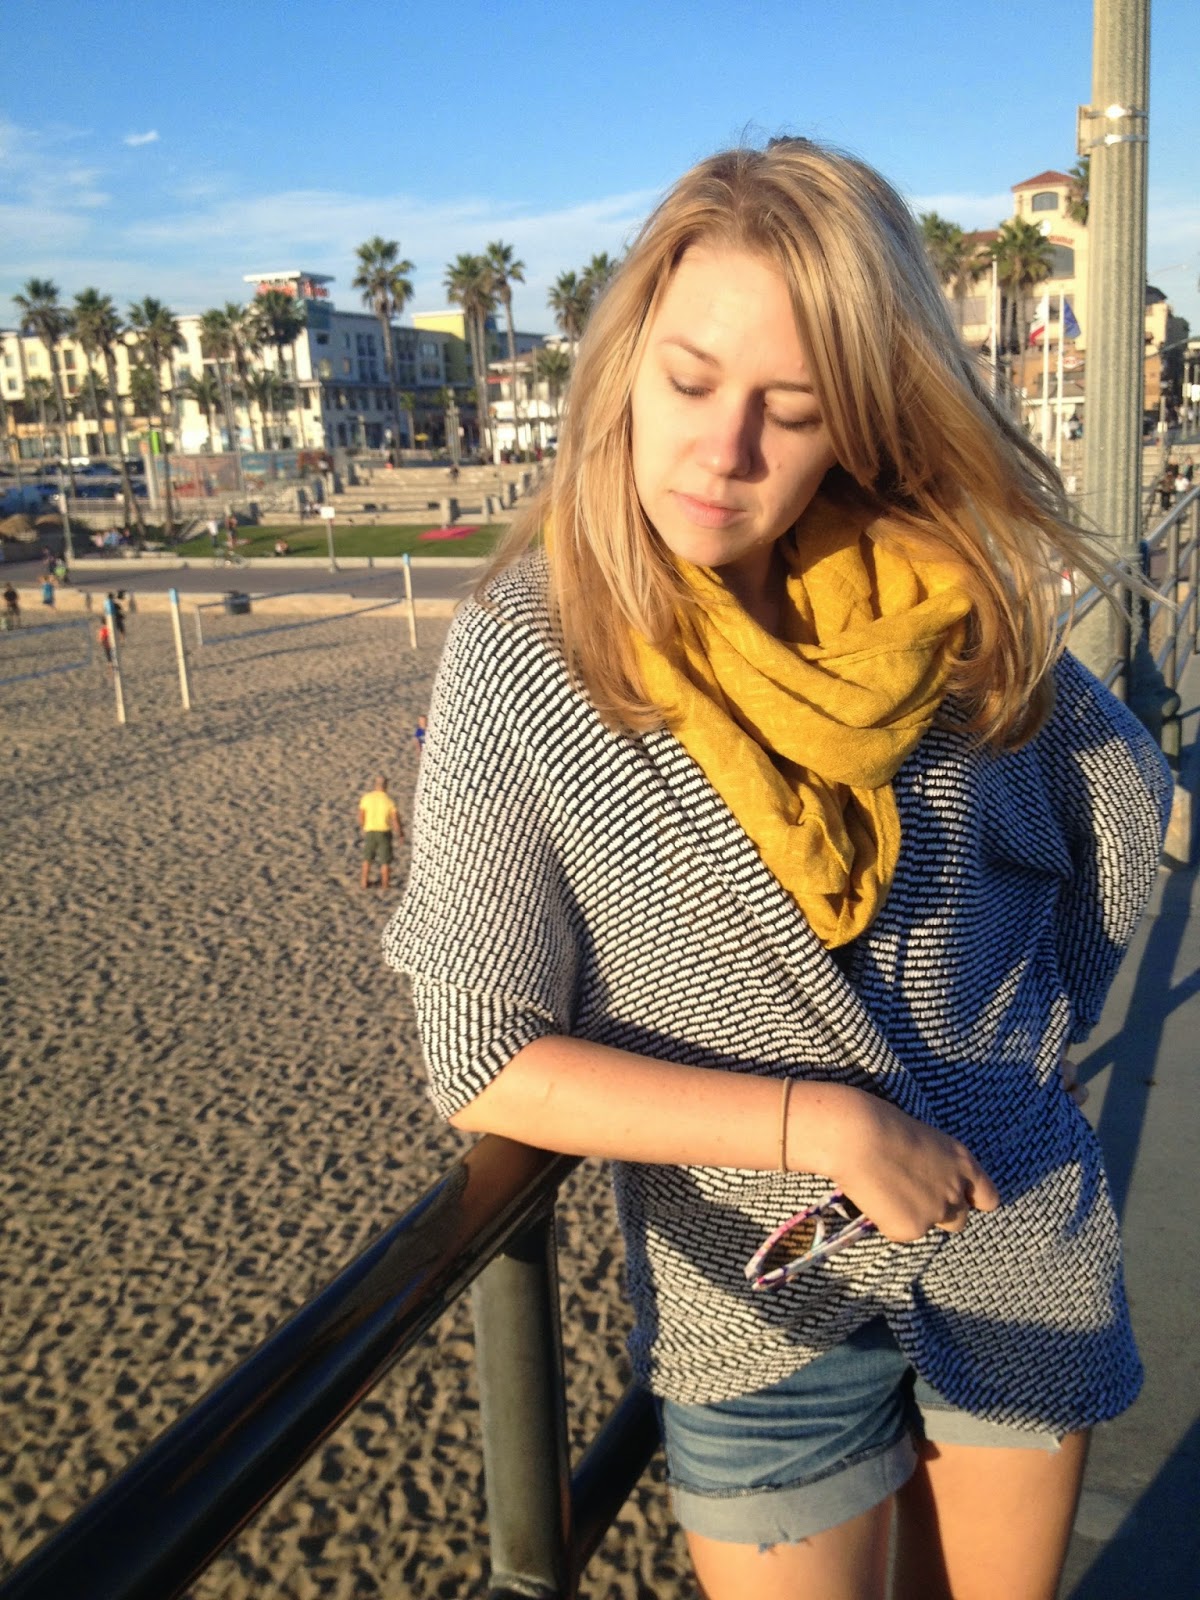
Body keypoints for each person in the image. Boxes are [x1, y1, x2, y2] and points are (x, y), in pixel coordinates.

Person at [382, 139, 1172, 1600]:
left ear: (856, 425)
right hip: (760, 1308)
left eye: (791, 412)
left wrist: (1023, 1057)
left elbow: (1119, 807)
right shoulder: (527, 651)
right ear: (625, 365)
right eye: (690, 382)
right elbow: (480, 1056)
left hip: (1014, 1241)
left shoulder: (935, 607)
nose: (724, 450)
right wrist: (825, 1125)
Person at [359, 774, 405, 892]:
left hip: (370, 831)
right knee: (385, 860)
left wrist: (363, 826)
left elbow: (361, 815)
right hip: (384, 832)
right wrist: (400, 833)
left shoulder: (366, 798)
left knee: (367, 857)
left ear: (375, 785)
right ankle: (385, 884)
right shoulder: (389, 800)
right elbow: (395, 819)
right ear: (386, 786)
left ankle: (364, 882)